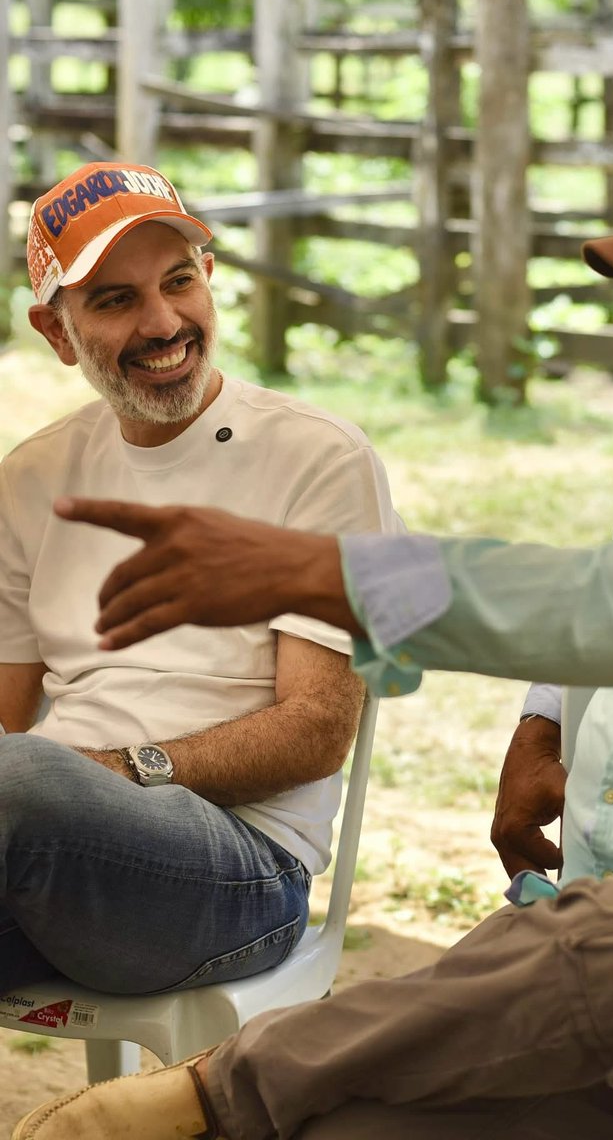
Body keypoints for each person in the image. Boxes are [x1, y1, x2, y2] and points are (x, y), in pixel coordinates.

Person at [13, 141, 613, 1140]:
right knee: (349, 1126)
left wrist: (324, 573)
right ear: (56, 332)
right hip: (609, 983)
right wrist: (541, 722)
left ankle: (209, 1092)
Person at [0, 161, 399, 1000]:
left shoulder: (318, 458)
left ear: (208, 278)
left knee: (23, 778)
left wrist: (114, 771)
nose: (164, 322)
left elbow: (317, 730)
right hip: (43, 854)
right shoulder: (32, 476)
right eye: (115, 300)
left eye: (179, 282)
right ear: (57, 332)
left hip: (238, 871)